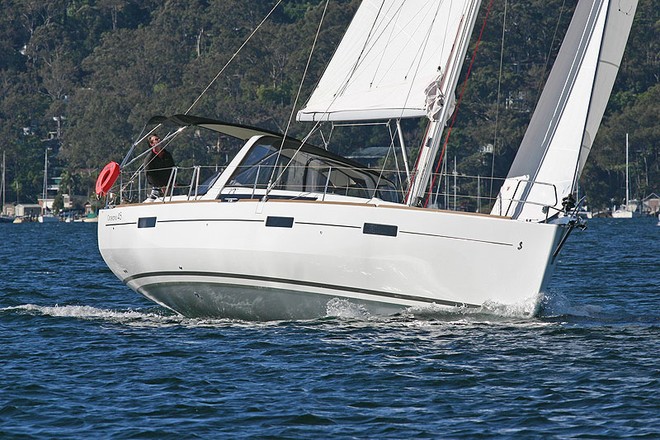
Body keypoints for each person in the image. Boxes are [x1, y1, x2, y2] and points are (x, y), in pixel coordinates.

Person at [144, 135, 175, 199]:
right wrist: (161, 186)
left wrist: (173, 182)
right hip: (155, 190)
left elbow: (173, 168)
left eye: (158, 139)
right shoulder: (149, 158)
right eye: (156, 139)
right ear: (151, 144)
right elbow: (149, 175)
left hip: (168, 187)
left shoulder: (167, 155)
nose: (159, 140)